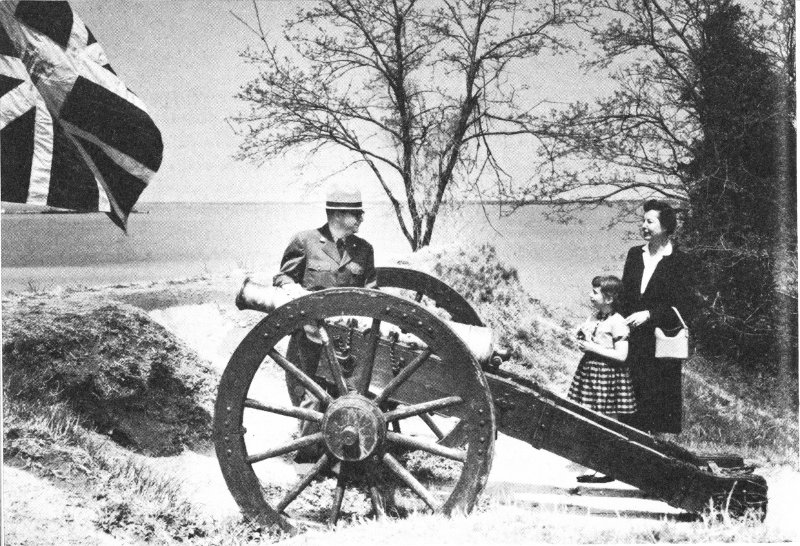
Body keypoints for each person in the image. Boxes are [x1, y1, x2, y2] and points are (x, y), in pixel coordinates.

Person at [273, 181, 377, 461]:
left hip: (348, 340)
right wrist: (298, 296)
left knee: (347, 395)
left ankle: (343, 454)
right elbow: (283, 277)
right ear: (338, 214)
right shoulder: (306, 241)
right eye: (356, 214)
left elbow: (373, 295)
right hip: (309, 335)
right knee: (308, 395)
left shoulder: (363, 250)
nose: (361, 218)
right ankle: (307, 458)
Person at [620, 200, 694, 436]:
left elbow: (684, 305)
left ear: (665, 227)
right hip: (633, 340)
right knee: (630, 405)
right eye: (643, 221)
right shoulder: (635, 254)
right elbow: (624, 295)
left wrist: (649, 314)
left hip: (661, 341)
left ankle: (654, 450)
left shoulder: (680, 260)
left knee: (657, 406)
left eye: (649, 221)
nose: (643, 226)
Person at [568, 275, 634, 483]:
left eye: (595, 292)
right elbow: (589, 338)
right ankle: (595, 463)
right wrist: (581, 338)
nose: (590, 295)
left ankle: (609, 467)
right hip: (590, 373)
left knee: (608, 422)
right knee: (590, 419)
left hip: (607, 376)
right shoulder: (594, 317)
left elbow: (622, 355)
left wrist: (592, 347)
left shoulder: (618, 322)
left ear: (609, 298)